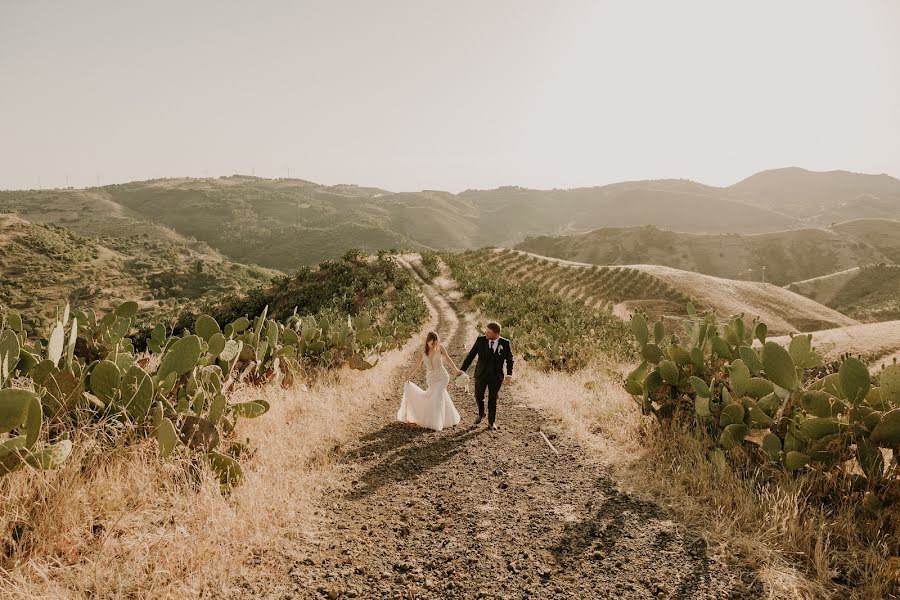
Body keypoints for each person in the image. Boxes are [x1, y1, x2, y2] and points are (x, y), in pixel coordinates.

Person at [397, 331, 461, 431]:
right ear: (427, 342)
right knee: (437, 396)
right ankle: (448, 419)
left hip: (442, 376)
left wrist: (456, 370)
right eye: (432, 343)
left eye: (436, 343)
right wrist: (409, 375)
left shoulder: (440, 348)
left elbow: (448, 359)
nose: (434, 345)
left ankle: (436, 422)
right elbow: (417, 364)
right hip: (431, 379)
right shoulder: (422, 351)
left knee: (438, 395)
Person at [458, 322, 514, 430]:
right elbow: (471, 355)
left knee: (493, 399)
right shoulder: (480, 340)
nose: (486, 333)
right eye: (486, 331)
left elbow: (510, 360)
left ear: (496, 334)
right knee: (478, 396)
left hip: (496, 376)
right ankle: (481, 413)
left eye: (488, 332)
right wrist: (462, 370)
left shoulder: (505, 343)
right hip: (481, 374)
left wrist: (509, 374)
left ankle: (491, 422)